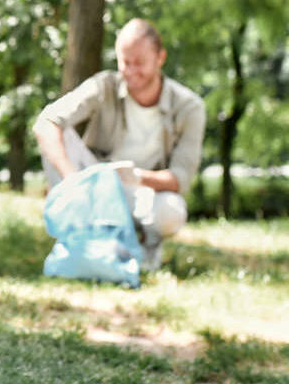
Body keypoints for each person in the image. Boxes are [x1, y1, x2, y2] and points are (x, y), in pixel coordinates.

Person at [32, 18, 206, 270]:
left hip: (144, 193)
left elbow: (180, 179)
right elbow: (46, 121)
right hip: (94, 187)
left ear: (160, 57)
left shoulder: (189, 107)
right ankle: (81, 237)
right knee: (57, 134)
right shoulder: (104, 86)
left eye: (140, 63)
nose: (131, 71)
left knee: (172, 210)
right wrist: (71, 179)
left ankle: (144, 248)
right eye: (125, 62)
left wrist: (133, 176)